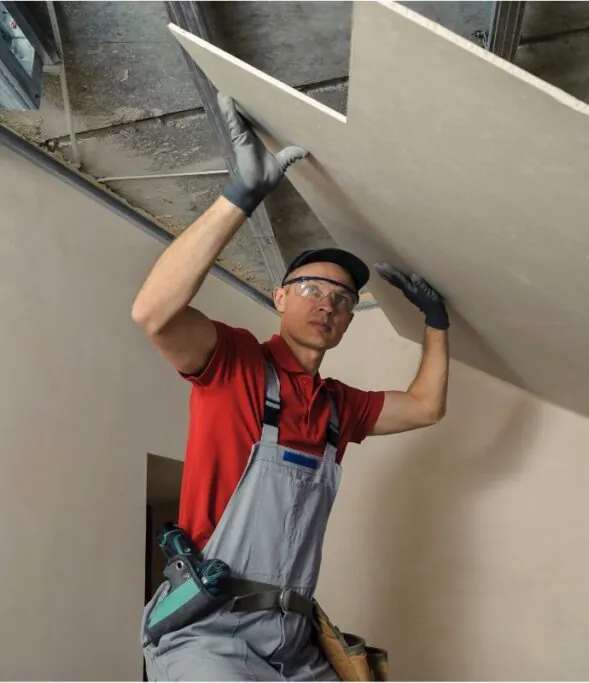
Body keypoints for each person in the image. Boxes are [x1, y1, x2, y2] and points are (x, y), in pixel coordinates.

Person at [133, 94, 450, 680]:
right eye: (310, 288)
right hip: (209, 634)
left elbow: (427, 406)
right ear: (278, 297)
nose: (327, 303)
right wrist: (241, 196)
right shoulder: (235, 364)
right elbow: (153, 312)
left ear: (350, 319)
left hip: (295, 639)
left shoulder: (337, 409)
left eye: (343, 299)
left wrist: (436, 324)